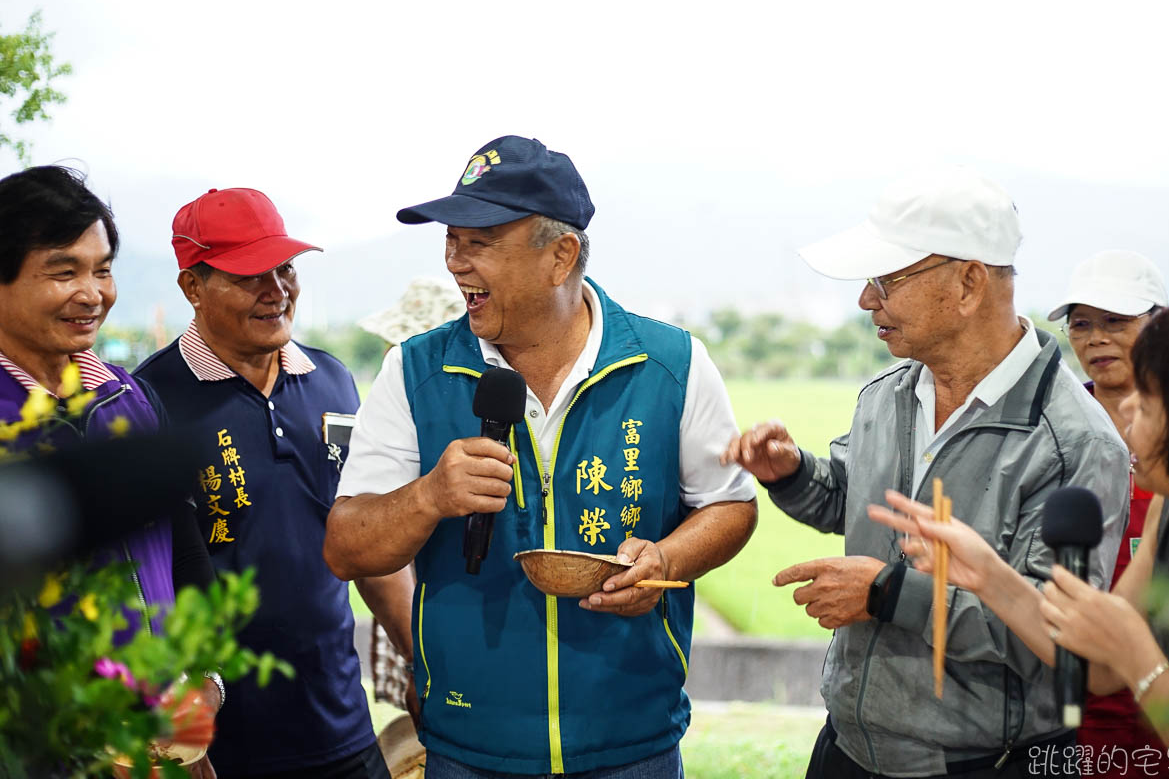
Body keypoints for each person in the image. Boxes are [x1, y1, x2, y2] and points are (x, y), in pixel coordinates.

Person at [324, 135, 758, 778]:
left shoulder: (672, 365)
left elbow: (731, 506)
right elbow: (345, 549)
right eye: (451, 240)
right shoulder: (413, 372)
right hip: (468, 749)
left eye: (480, 242)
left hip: (633, 745)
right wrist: (428, 498)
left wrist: (668, 558)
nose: (455, 263)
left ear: (561, 256)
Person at [722, 166, 1129, 778]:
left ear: (968, 284)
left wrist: (889, 595)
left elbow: (1055, 642)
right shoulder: (886, 395)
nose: (866, 300)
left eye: (887, 279)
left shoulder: (1073, 441)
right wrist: (791, 473)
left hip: (981, 762)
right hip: (849, 748)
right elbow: (849, 502)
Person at [135, 188, 411, 779]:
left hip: (344, 727)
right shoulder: (146, 402)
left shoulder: (333, 381)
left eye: (284, 268)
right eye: (248, 275)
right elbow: (144, 582)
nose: (277, 290)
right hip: (223, 747)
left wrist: (421, 662)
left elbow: (367, 546)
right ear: (193, 287)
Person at [867, 299, 1169, 775]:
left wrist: (1137, 653)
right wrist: (989, 575)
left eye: (1146, 400)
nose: (1124, 406)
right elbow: (1099, 672)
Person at [0, 165, 219, 779]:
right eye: (64, 271)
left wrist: (201, 681)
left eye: (102, 269)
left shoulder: (128, 395)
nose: (92, 293)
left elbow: (182, 543)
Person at [1046, 250, 1169, 775]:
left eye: (1116, 321)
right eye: (1081, 324)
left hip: (1168, 695)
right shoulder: (1051, 428)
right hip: (1071, 697)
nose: (1096, 338)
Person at [355, 276, 462, 725]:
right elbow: (372, 553)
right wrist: (422, 660)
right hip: (423, 633)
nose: (392, 360)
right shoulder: (405, 417)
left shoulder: (452, 417)